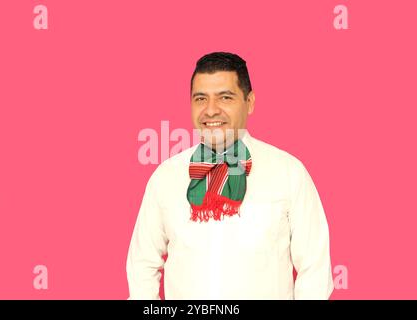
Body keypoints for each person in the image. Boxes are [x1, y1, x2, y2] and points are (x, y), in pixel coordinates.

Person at [126, 52, 334, 299]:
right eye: (201, 98)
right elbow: (142, 263)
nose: (211, 110)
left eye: (225, 97)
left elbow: (315, 268)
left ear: (250, 102)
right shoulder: (165, 177)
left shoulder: (289, 172)